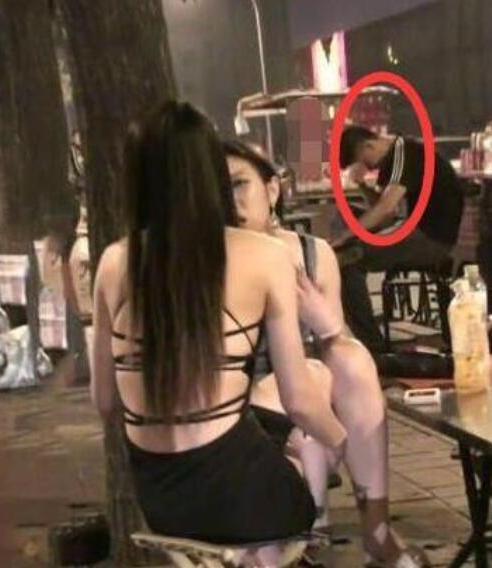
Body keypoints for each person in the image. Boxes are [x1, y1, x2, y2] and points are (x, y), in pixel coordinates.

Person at [91, 101, 347, 565]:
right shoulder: (264, 255)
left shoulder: (113, 262)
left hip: (161, 502)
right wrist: (346, 444)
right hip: (242, 499)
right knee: (315, 395)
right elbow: (301, 402)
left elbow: (106, 402)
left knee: (266, 419)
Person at [224, 139, 430, 567]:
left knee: (350, 358)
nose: (231, 201)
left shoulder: (311, 255)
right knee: (307, 410)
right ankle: (304, 538)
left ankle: (376, 531)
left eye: (240, 184)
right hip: (252, 405)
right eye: (218, 190)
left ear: (272, 189)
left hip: (310, 397)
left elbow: (338, 355)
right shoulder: (217, 260)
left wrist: (325, 322)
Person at [332, 125, 464, 352]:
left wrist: (345, 236)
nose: (367, 168)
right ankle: (366, 341)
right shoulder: (395, 157)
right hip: (417, 230)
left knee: (347, 259)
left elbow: (386, 208)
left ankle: (372, 348)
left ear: (368, 145)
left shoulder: (406, 153)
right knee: (347, 235)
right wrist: (362, 185)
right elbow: (387, 212)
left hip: (432, 237)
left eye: (363, 162)